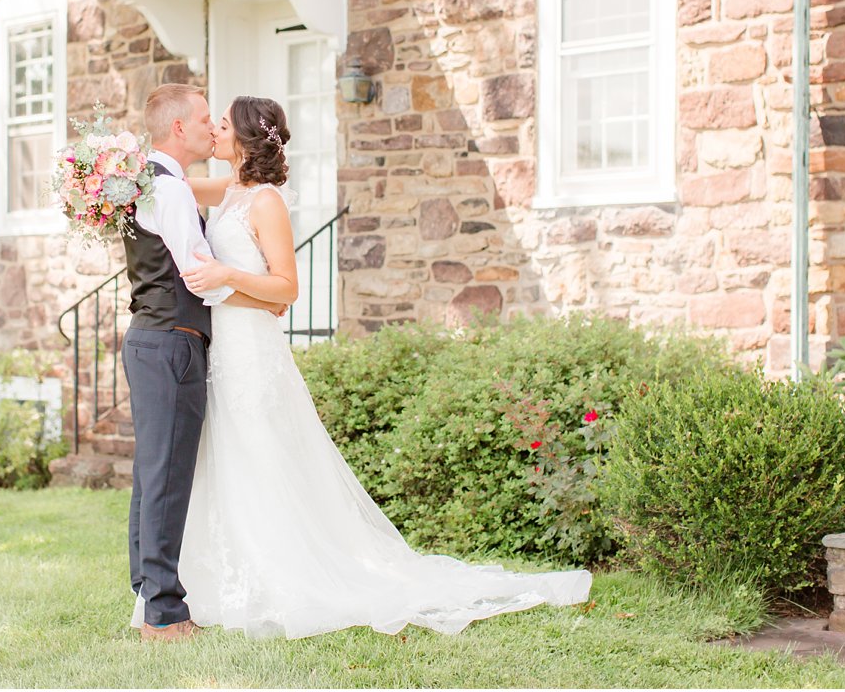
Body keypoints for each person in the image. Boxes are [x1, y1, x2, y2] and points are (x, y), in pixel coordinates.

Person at [156, 94, 592, 639]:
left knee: (264, 456)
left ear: (243, 138)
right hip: (224, 347)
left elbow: (286, 289)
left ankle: (284, 578)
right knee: (229, 458)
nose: (213, 132)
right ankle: (227, 579)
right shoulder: (229, 192)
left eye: (221, 125)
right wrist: (113, 172)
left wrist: (225, 276)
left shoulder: (265, 202)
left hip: (252, 352)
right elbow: (166, 182)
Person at [119, 84, 283, 643]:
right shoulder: (166, 190)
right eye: (205, 119)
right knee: (164, 477)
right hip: (171, 340)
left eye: (221, 122)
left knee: (154, 476)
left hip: (162, 339)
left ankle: (149, 596)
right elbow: (198, 274)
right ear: (181, 130)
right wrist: (265, 298)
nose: (212, 128)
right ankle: (163, 612)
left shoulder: (166, 184)